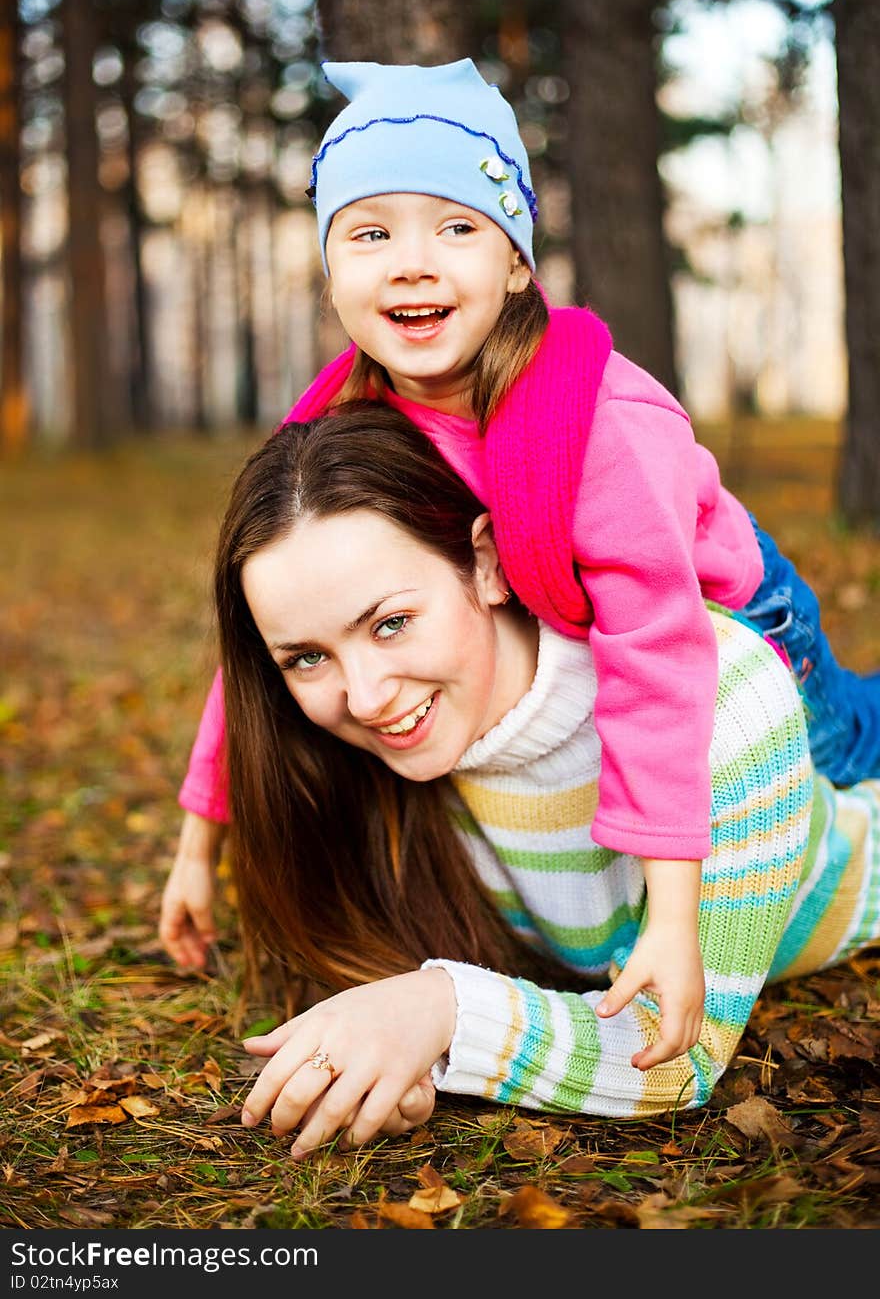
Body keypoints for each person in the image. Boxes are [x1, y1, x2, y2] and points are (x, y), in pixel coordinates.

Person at [161, 58, 880, 1067]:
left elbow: (660, 659)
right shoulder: (345, 426)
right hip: (572, 630)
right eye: (370, 234)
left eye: (455, 226)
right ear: (332, 278)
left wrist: (669, 916)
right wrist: (201, 840)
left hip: (742, 631)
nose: (411, 264)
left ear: (515, 265)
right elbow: (276, 630)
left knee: (855, 758)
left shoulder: (602, 428)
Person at [184, 402, 880, 1160]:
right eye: (307, 657)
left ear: (484, 563)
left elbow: (675, 1060)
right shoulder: (372, 750)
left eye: (389, 624)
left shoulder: (725, 706)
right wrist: (400, 1051)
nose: (365, 695)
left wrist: (440, 1014)